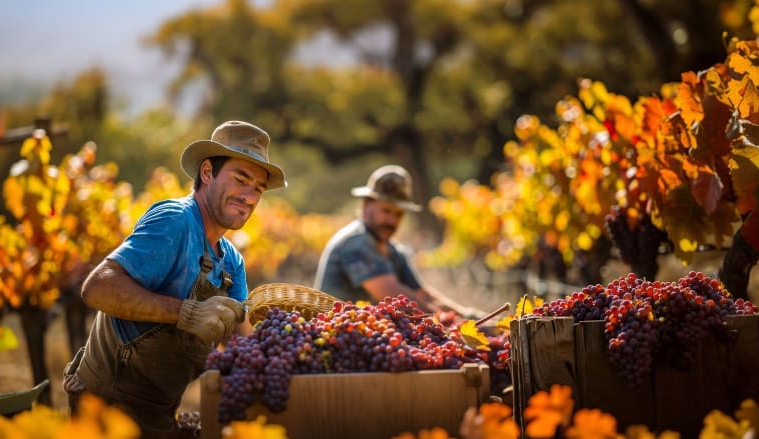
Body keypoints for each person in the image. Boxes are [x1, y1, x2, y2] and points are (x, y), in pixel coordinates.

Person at [62, 120, 286, 437]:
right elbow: (97, 288)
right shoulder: (175, 221)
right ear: (207, 172)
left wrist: (285, 356)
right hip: (105, 413)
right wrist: (186, 313)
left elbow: (243, 345)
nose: (249, 196)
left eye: (258, 189)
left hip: (157, 415)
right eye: (240, 180)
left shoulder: (231, 262)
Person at [313, 164, 479, 316]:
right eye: (386, 211)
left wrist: (469, 317)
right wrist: (447, 322)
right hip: (335, 334)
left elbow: (424, 295)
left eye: (398, 214)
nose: (392, 221)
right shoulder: (357, 243)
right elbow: (395, 296)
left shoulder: (394, 252)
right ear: (367, 205)